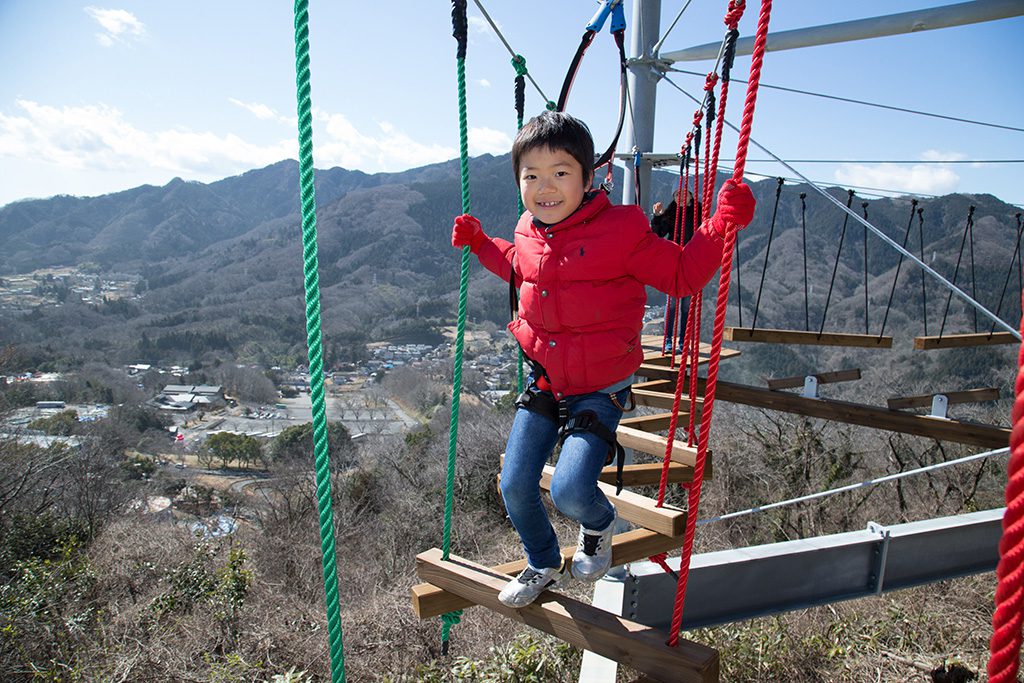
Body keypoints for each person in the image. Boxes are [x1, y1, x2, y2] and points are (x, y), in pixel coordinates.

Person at [450, 111, 755, 608]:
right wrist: (482, 243)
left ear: (589, 178)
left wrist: (720, 225)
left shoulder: (622, 231)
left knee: (571, 489)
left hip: (600, 387)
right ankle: (543, 560)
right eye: (532, 176)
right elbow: (514, 265)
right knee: (513, 486)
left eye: (561, 173)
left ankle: (598, 524)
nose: (545, 187)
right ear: (518, 182)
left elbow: (680, 275)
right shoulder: (528, 229)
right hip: (546, 379)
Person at [650, 187, 700, 352]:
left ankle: (683, 342)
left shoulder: (699, 212)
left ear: (691, 195)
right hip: (675, 262)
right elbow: (658, 234)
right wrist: (657, 217)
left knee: (686, 306)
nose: (680, 196)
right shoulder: (671, 213)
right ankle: (668, 339)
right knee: (671, 304)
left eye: (684, 193)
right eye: (677, 194)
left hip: (691, 262)